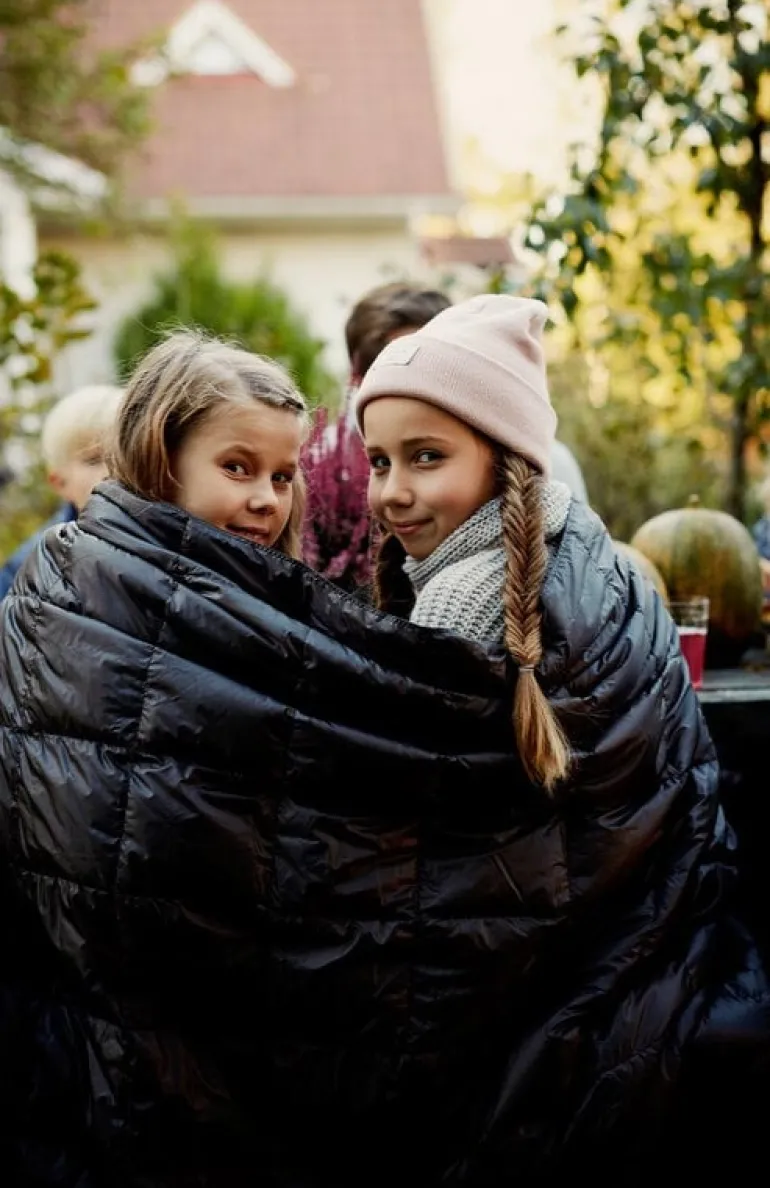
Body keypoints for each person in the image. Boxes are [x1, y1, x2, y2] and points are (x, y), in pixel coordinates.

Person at [0, 319, 766, 1188]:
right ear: (157, 458)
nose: (270, 500)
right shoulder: (113, 606)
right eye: (239, 469)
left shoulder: (452, 600)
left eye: (282, 475)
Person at [0, 382, 124, 599]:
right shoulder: (29, 570)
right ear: (60, 483)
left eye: (124, 453)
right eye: (94, 460)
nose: (114, 469)